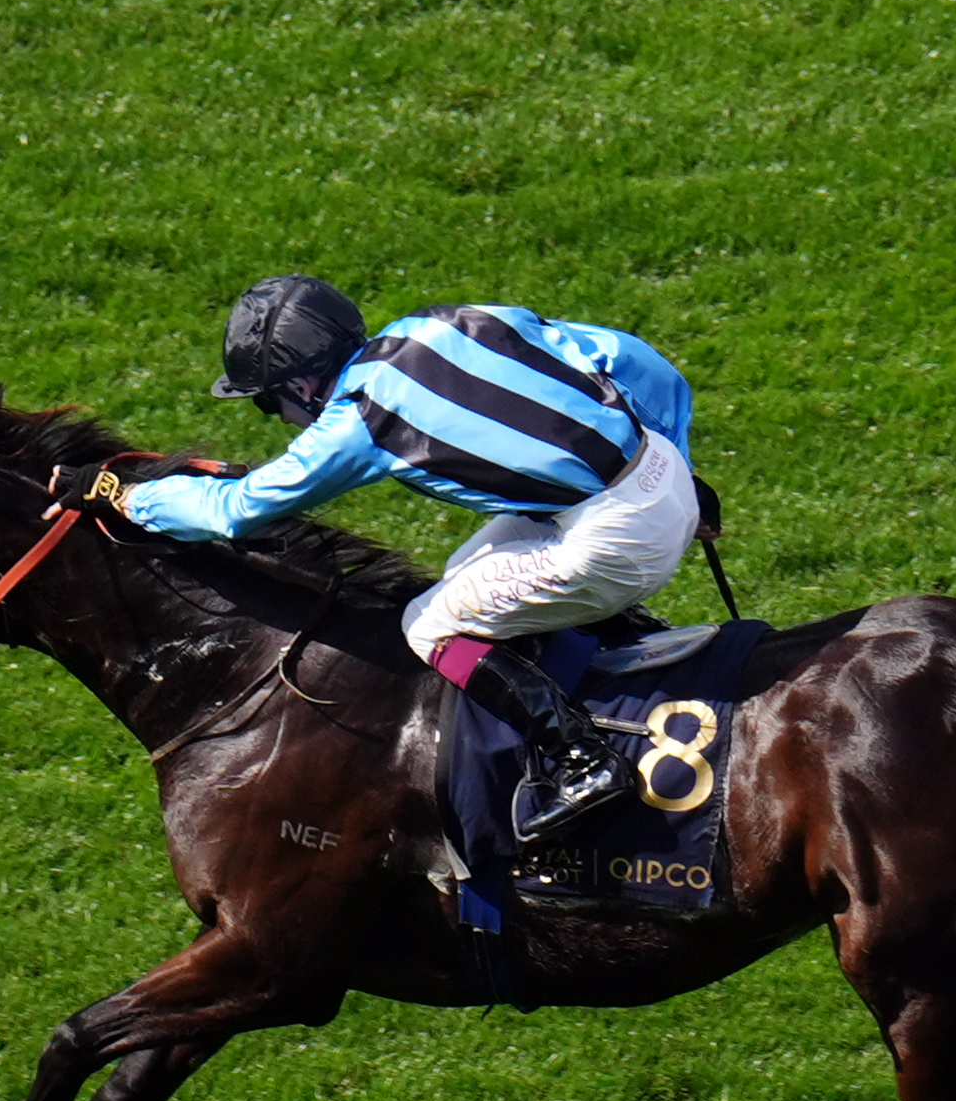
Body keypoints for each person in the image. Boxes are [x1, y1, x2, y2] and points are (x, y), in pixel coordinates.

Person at [119, 276, 699, 843]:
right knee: (464, 575)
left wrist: (131, 498)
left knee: (431, 626)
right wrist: (673, 466)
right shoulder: (446, 321)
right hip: (662, 470)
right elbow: (634, 359)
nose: (283, 422)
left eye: (270, 406)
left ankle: (581, 759)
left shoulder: (356, 422)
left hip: (618, 533)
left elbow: (239, 510)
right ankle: (623, 638)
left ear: (300, 385)